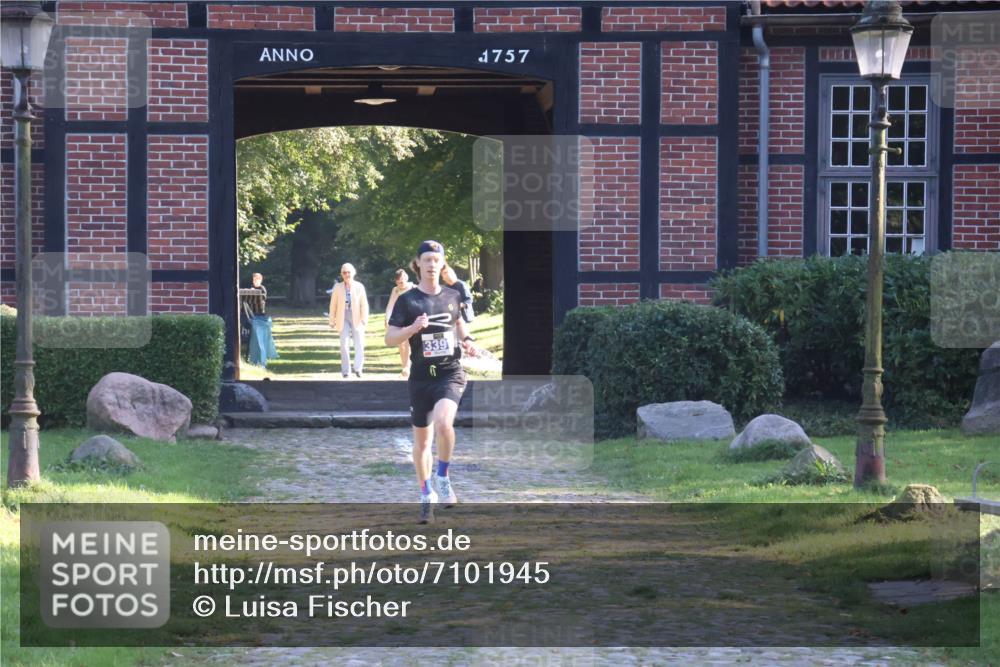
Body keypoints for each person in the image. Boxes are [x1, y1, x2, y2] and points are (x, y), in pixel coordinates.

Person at [386, 240, 481, 524]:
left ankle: (443, 477)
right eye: (426, 260)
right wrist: (413, 328)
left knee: (444, 422)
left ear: (442, 263)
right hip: (420, 378)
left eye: (436, 260)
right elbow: (390, 338)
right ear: (418, 264)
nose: (431, 264)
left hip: (449, 373)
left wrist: (468, 342)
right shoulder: (408, 300)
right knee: (423, 441)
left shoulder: (453, 296)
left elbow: (461, 326)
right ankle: (426, 493)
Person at [328, 263, 369, 378]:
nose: (347, 275)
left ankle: (358, 368)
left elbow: (364, 304)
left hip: (356, 316)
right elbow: (333, 305)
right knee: (344, 344)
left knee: (359, 343)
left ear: (353, 273)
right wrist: (332, 320)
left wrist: (364, 318)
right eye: (344, 272)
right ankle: (346, 371)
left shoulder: (359, 286)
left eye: (349, 272)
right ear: (342, 274)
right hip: (343, 316)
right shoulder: (338, 287)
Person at [385, 268, 414, 378]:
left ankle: (412, 366)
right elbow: (391, 304)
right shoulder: (395, 290)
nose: (400, 284)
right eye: (397, 282)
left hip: (413, 318)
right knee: (402, 344)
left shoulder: (414, 288)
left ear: (406, 278)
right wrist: (387, 318)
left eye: (401, 282)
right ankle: (405, 367)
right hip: (401, 319)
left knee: (413, 344)